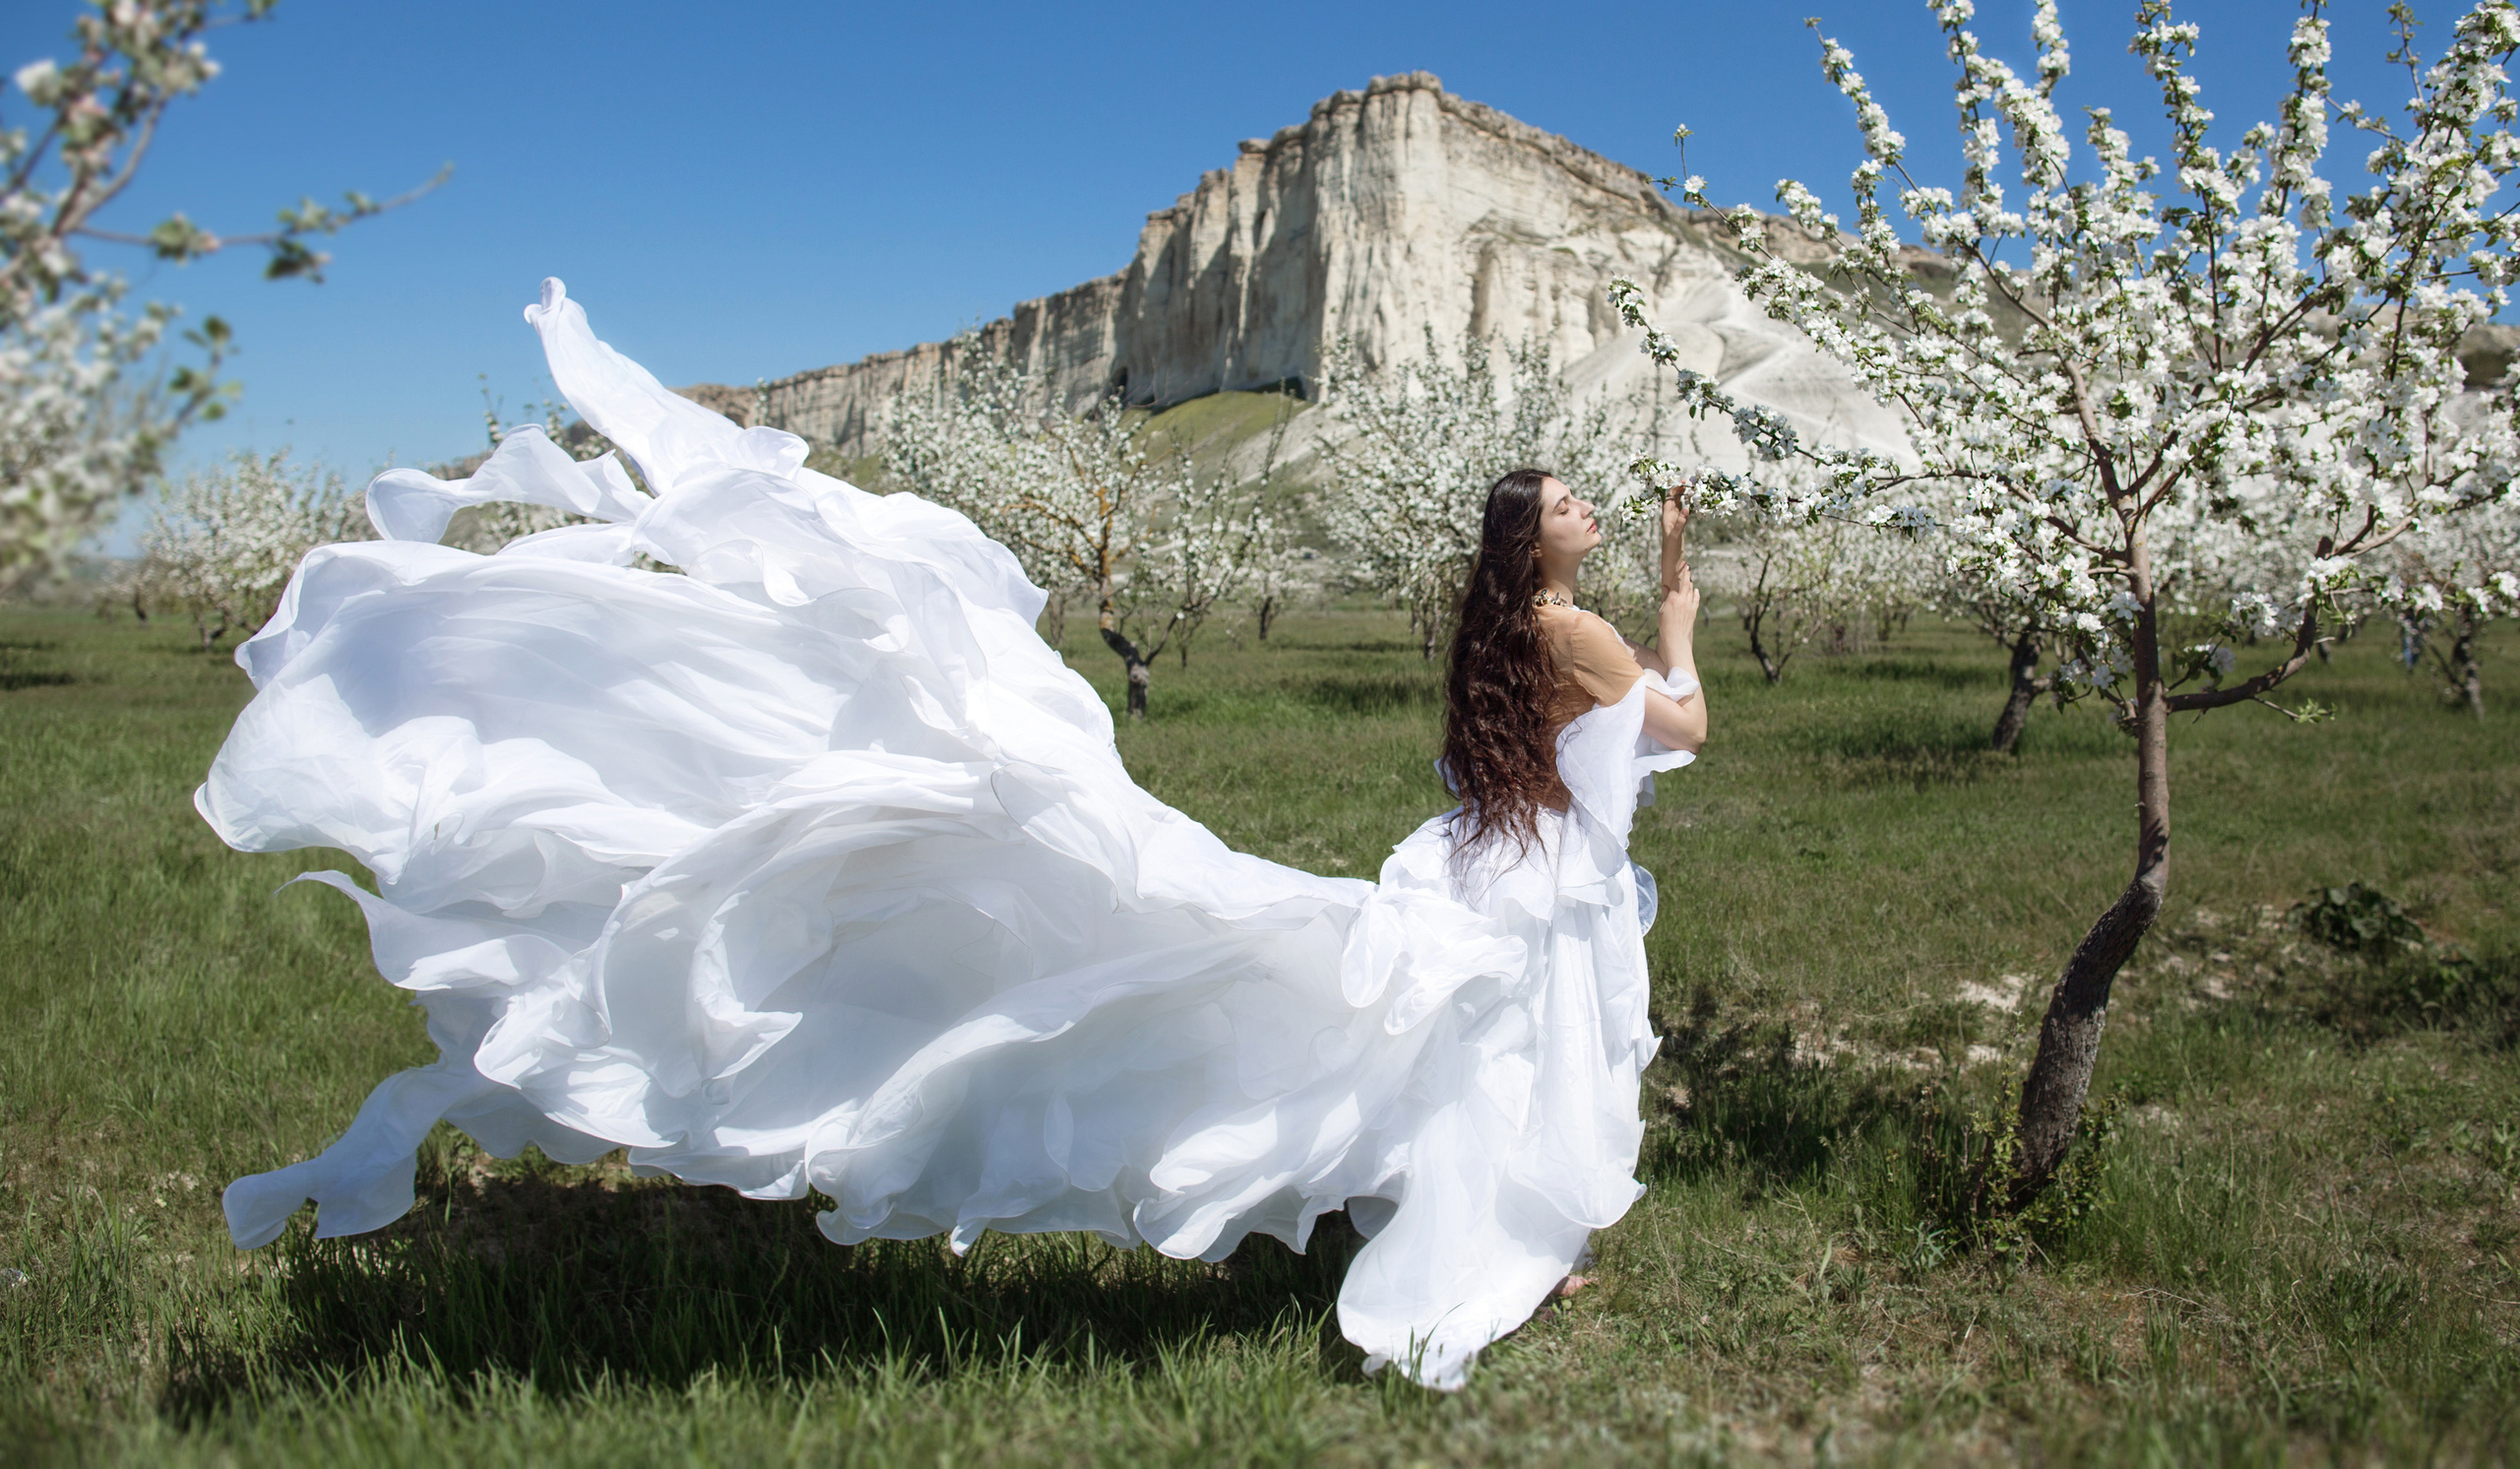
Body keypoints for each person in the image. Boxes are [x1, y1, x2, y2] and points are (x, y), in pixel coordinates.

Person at [199, 282, 1705, 1390]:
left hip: (1491, 849)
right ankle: (1498, 1229)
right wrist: (1681, 607)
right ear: (1538, 540)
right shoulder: (1576, 630)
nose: (1585, 511)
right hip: (1534, 867)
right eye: (1571, 504)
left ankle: (1449, 1202)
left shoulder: (1504, 623)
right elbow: (1680, 729)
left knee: (1459, 1031)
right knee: (1504, 1040)